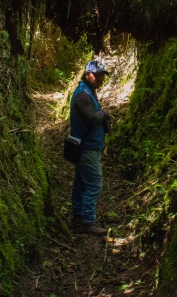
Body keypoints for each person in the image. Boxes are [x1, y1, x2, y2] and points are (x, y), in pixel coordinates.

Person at [69, 60, 111, 236]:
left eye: (102, 75)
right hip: (87, 149)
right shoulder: (82, 95)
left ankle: (78, 217)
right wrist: (105, 113)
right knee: (94, 184)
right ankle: (87, 222)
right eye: (97, 75)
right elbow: (92, 118)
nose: (100, 78)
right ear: (87, 74)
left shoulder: (89, 92)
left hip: (87, 147)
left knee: (81, 183)